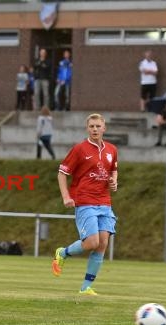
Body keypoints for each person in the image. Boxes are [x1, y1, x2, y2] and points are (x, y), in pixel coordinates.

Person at [52, 113, 118, 296]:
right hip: (85, 201)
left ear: (104, 128)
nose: (95, 129)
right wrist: (66, 197)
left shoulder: (112, 149)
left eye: (98, 126)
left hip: (105, 203)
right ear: (87, 128)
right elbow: (62, 173)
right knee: (92, 242)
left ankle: (85, 287)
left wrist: (114, 181)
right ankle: (63, 253)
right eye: (91, 126)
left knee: (102, 243)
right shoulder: (79, 149)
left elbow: (113, 171)